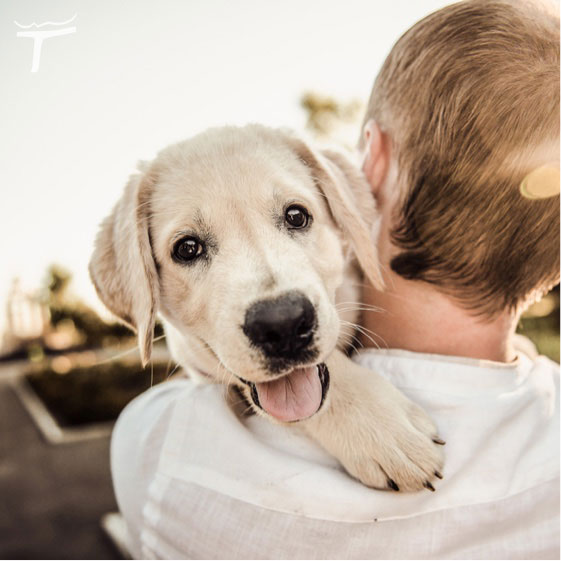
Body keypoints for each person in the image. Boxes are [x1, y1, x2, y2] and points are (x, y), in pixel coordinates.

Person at [110, 1, 560, 558]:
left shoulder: (159, 451)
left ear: (367, 164)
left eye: (295, 218)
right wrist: (335, 392)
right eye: (191, 248)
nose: (274, 307)